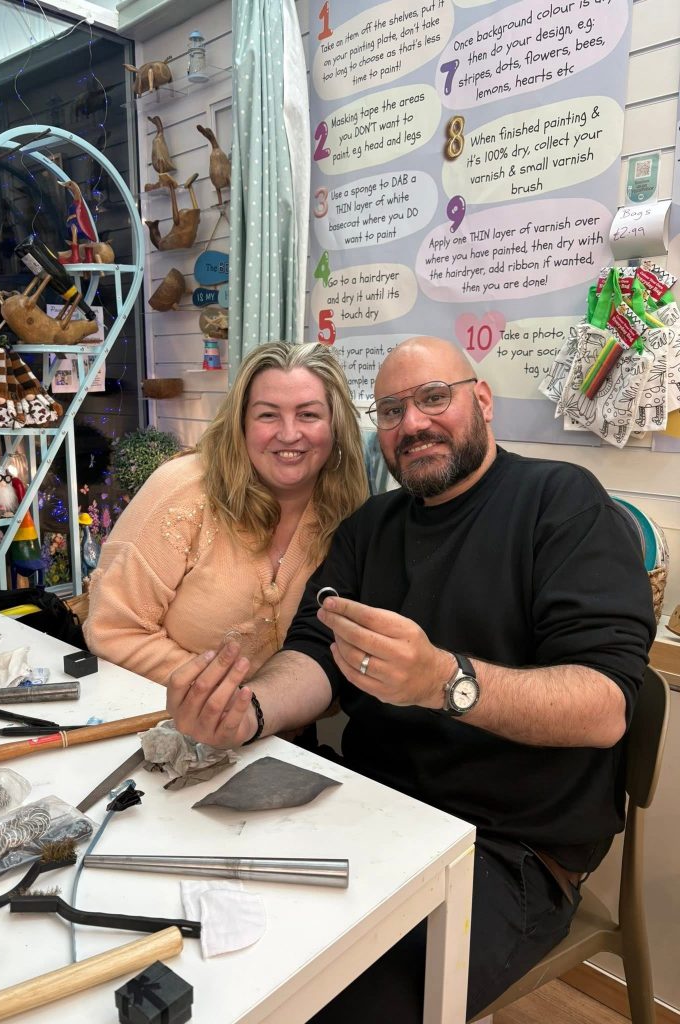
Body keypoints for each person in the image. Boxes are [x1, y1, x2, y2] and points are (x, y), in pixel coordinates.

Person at [165, 336, 656, 1020]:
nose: (413, 423)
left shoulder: (562, 503)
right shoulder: (370, 527)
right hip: (368, 810)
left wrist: (443, 682)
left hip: (508, 850)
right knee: (205, 936)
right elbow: (314, 653)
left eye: (433, 398)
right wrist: (247, 711)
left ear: (482, 401)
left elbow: (604, 707)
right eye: (392, 410)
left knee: (331, 1002)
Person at [84, 341, 368, 685]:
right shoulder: (182, 489)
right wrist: (235, 697)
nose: (289, 434)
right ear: (241, 423)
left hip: (297, 719)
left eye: (308, 414)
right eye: (268, 415)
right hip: (169, 711)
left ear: (336, 425)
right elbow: (112, 629)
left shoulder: (349, 510)